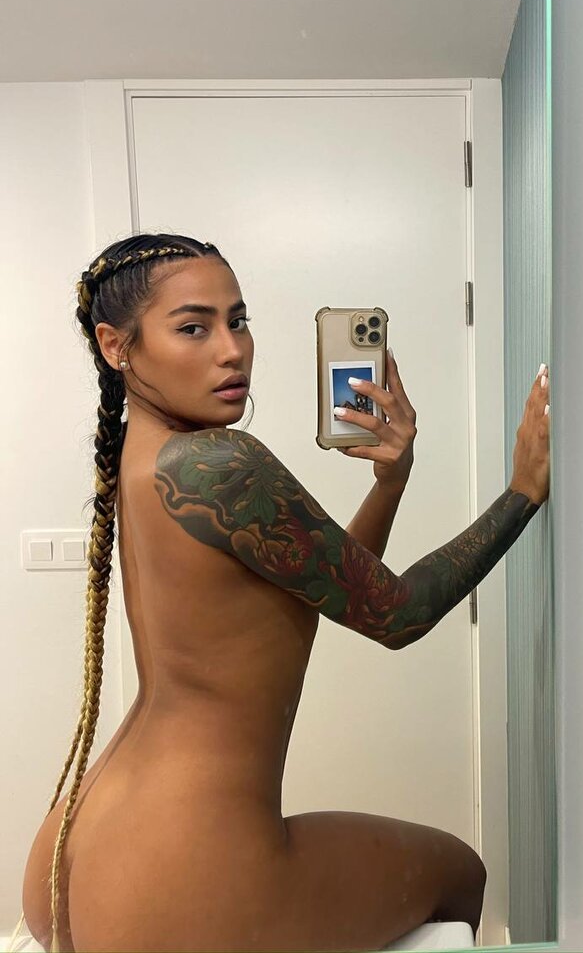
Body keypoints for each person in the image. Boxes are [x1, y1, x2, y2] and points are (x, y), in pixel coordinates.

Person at [14, 233, 551, 953]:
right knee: (460, 872)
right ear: (117, 347)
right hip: (177, 873)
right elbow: (396, 614)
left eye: (238, 320)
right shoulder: (216, 463)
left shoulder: (143, 459)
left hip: (82, 848)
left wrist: (391, 481)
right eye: (193, 327)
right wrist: (523, 491)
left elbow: (334, 586)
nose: (232, 351)